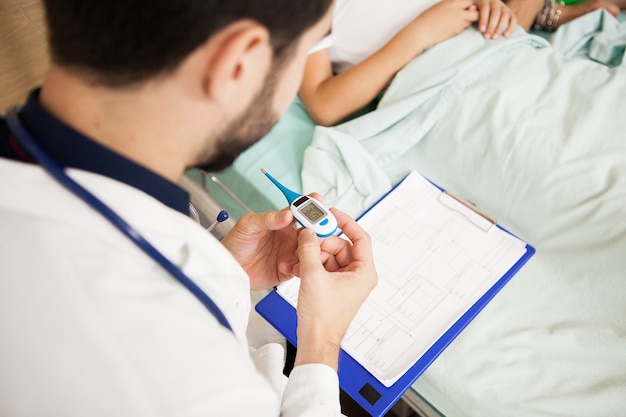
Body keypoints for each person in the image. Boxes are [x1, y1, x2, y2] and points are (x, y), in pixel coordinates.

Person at [0, 0, 379, 416]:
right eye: (311, 47)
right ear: (238, 63)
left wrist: (223, 274)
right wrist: (321, 345)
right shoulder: (165, 383)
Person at [299, 0, 518, 126]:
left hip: (506, 50)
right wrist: (421, 32)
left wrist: (491, 7)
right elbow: (324, 105)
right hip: (442, 87)